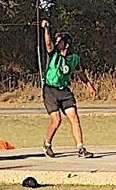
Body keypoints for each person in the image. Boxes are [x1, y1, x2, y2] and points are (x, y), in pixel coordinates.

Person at [40, 19, 98, 158]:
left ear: (66, 44)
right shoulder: (53, 54)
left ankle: (80, 148)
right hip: (50, 90)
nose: (56, 43)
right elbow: (48, 43)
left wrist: (90, 86)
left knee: (74, 117)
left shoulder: (74, 58)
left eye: (59, 41)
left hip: (64, 91)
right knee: (57, 120)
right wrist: (46, 29)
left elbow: (80, 73)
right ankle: (47, 144)